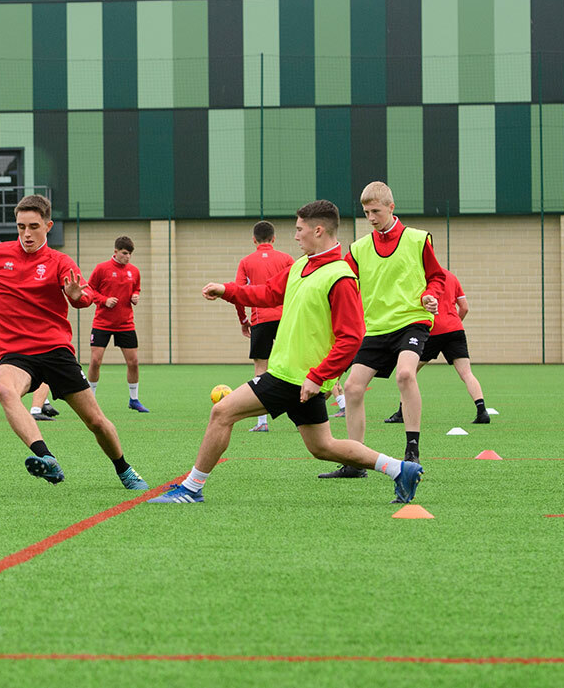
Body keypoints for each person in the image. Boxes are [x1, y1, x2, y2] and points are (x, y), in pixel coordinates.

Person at [149, 200, 423, 505]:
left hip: (293, 379)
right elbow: (266, 294)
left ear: (318, 230)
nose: (295, 236)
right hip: (296, 378)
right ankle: (400, 469)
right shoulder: (301, 266)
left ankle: (190, 488)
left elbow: (352, 337)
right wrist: (227, 290)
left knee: (221, 413)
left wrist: (318, 377)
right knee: (324, 447)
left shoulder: (341, 276)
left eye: (299, 229)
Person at [0, 195, 148, 490]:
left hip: (56, 351)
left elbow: (83, 297)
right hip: (16, 355)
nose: (27, 234)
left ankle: (124, 469)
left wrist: (75, 296)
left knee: (96, 422)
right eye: (21, 227)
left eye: (34, 226)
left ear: (48, 226)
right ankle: (46, 458)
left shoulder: (60, 261)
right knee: (4, 389)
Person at [319, 181, 446, 478]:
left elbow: (437, 277)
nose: (371, 218)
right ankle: (354, 461)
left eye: (376, 211)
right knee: (352, 387)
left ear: (391, 207)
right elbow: (341, 277)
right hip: (375, 328)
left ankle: (412, 449)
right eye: (366, 212)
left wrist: (431, 295)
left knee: (405, 374)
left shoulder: (417, 239)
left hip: (411, 321)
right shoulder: (360, 248)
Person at [383, 268, 491, 426]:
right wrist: (454, 322)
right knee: (466, 373)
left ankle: (401, 413)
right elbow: (465, 307)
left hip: (431, 331)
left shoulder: (423, 277)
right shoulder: (452, 277)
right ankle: (482, 411)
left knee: (408, 372)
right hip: (455, 329)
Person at [233, 221, 295, 432]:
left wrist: (243, 321)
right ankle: (302, 418)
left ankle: (262, 423)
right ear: (274, 238)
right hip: (286, 318)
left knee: (261, 368)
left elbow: (238, 294)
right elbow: (298, 287)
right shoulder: (287, 259)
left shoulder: (246, 261)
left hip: (260, 319)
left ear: (254, 240)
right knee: (296, 364)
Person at [86, 236, 147, 412]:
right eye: (124, 253)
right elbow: (90, 290)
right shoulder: (101, 269)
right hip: (102, 323)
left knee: (133, 362)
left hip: (126, 324)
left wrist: (136, 296)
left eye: (130, 254)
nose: (127, 257)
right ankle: (91, 400)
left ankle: (134, 400)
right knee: (96, 361)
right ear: (115, 252)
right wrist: (104, 300)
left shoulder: (134, 271)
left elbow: (136, 288)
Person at [0, 310, 57, 421]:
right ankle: (36, 410)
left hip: (10, 354)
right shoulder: (19, 305)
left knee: (31, 378)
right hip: (23, 351)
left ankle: (43, 403)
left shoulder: (6, 307)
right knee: (45, 374)